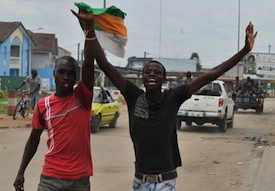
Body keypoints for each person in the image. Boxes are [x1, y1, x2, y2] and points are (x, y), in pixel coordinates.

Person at [81, 9, 256, 190]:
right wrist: (89, 27)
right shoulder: (134, 96)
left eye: (157, 72)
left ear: (164, 79)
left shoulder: (173, 98)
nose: (151, 75)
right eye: (147, 72)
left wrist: (244, 50)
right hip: (139, 181)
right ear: (142, 77)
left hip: (164, 181)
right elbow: (104, 65)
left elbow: (210, 75)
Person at [13, 10, 96, 191]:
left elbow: (89, 63)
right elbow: (34, 139)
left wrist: (89, 28)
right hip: (50, 179)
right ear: (54, 74)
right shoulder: (43, 104)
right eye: (62, 72)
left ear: (77, 77)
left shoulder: (83, 97)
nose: (66, 77)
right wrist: (21, 171)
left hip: (80, 180)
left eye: (71, 73)